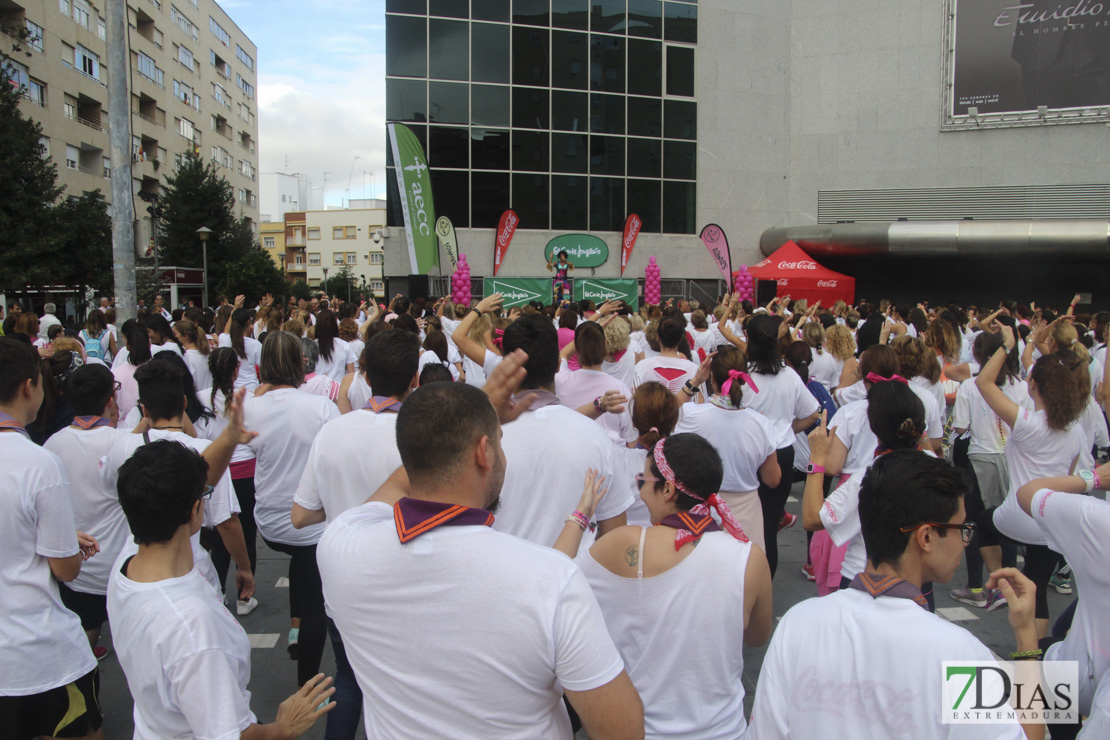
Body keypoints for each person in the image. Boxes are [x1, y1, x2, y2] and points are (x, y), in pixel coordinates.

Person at [317, 380, 644, 739]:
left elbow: (398, 483)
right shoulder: (552, 580)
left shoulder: (341, 548)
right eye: (500, 444)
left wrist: (460, 423)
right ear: (483, 452)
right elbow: (622, 731)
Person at [749, 450, 1035, 740]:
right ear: (925, 537)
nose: (965, 542)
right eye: (961, 529)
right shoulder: (963, 653)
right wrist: (1027, 640)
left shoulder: (798, 623)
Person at [108, 440, 335, 739]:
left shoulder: (125, 566)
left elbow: (177, 491)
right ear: (194, 510)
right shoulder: (192, 626)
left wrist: (229, 437)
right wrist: (282, 728)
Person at [555, 433, 772, 738]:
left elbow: (553, 577)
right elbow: (757, 636)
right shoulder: (749, 556)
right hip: (726, 730)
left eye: (643, 481)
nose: (640, 490)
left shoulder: (628, 545)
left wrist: (581, 513)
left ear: (668, 489)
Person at [0, 338, 103, 740]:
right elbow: (64, 569)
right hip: (38, 653)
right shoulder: (39, 462)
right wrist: (65, 545)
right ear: (29, 387)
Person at [976, 325, 1087, 636]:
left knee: (981, 523)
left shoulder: (1027, 424)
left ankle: (999, 580)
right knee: (1037, 591)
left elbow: (984, 382)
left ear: (1034, 386)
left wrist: (1006, 346)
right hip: (1052, 522)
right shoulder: (1076, 431)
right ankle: (1034, 659)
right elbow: (1067, 477)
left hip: (1016, 517)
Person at [244, 332, 340, 684]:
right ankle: (307, 683)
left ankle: (295, 628)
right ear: (301, 363)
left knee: (302, 558)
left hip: (268, 521)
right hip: (311, 522)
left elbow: (241, 460)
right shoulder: (321, 408)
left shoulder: (249, 409)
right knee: (316, 596)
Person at [497, 314, 633, 551]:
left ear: (506, 366)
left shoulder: (486, 440)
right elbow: (616, 533)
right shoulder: (595, 438)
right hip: (575, 580)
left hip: (503, 581)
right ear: (557, 365)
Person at [43, 365, 128, 661]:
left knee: (83, 646)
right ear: (110, 400)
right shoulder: (122, 443)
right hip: (122, 567)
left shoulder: (52, 445)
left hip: (78, 569)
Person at [674, 345, 780, 553]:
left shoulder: (692, 415)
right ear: (744, 378)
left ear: (712, 378)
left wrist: (695, 381)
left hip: (701, 509)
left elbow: (665, 411)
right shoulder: (761, 424)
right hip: (747, 512)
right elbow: (773, 479)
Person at [950, 331, 1025, 609]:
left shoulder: (971, 386)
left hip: (980, 460)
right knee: (1007, 521)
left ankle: (977, 588)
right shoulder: (1021, 386)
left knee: (975, 523)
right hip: (1013, 460)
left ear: (981, 356)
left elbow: (960, 427)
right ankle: (1009, 587)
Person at [740, 314, 820, 578]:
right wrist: (787, 428)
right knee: (769, 527)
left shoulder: (742, 378)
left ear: (748, 340)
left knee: (740, 523)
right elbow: (812, 412)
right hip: (782, 453)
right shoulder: (790, 377)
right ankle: (764, 589)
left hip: (747, 455)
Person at [200, 347, 260, 616]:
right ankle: (245, 598)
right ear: (237, 369)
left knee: (219, 533)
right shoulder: (246, 400)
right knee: (246, 534)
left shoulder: (200, 400)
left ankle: (219, 592)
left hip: (214, 472)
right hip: (245, 472)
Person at [556, 321, 635, 444]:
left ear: (576, 348)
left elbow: (562, 354)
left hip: (572, 453)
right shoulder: (620, 389)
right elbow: (631, 439)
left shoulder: (562, 380)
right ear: (605, 346)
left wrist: (585, 337)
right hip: (612, 458)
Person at [632, 317, 700, 394]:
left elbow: (634, 400)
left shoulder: (642, 367)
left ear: (658, 338)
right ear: (681, 339)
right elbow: (700, 403)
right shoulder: (695, 371)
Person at [219, 307, 263, 392]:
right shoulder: (255, 345)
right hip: (251, 389)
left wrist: (235, 308)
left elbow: (226, 331)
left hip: (230, 390)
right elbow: (264, 372)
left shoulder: (223, 339)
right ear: (248, 323)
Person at [314, 309, 355, 383]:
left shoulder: (312, 346)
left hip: (316, 389)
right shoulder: (345, 346)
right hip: (338, 391)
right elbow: (351, 374)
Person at [175, 318, 212, 391]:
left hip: (197, 398)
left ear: (185, 336)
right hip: (209, 396)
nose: (174, 337)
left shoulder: (186, 357)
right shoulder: (207, 353)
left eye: (175, 334)